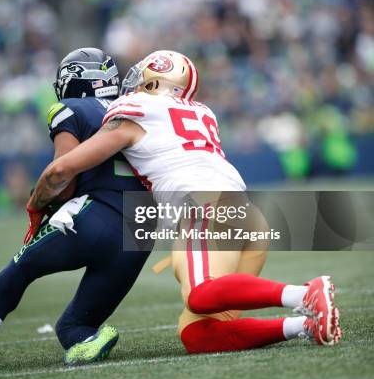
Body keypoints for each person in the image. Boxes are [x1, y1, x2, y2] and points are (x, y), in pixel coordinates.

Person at [25, 50, 342, 355]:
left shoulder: (135, 108)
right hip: (245, 215)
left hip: (203, 208)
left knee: (202, 294)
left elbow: (63, 168)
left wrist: (36, 205)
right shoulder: (201, 111)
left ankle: (305, 293)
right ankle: (304, 326)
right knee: (197, 336)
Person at [0, 48, 151, 370]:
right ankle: (87, 340)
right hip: (141, 232)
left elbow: (63, 174)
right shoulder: (138, 111)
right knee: (73, 329)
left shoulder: (72, 108)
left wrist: (38, 205)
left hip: (96, 217)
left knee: (19, 269)